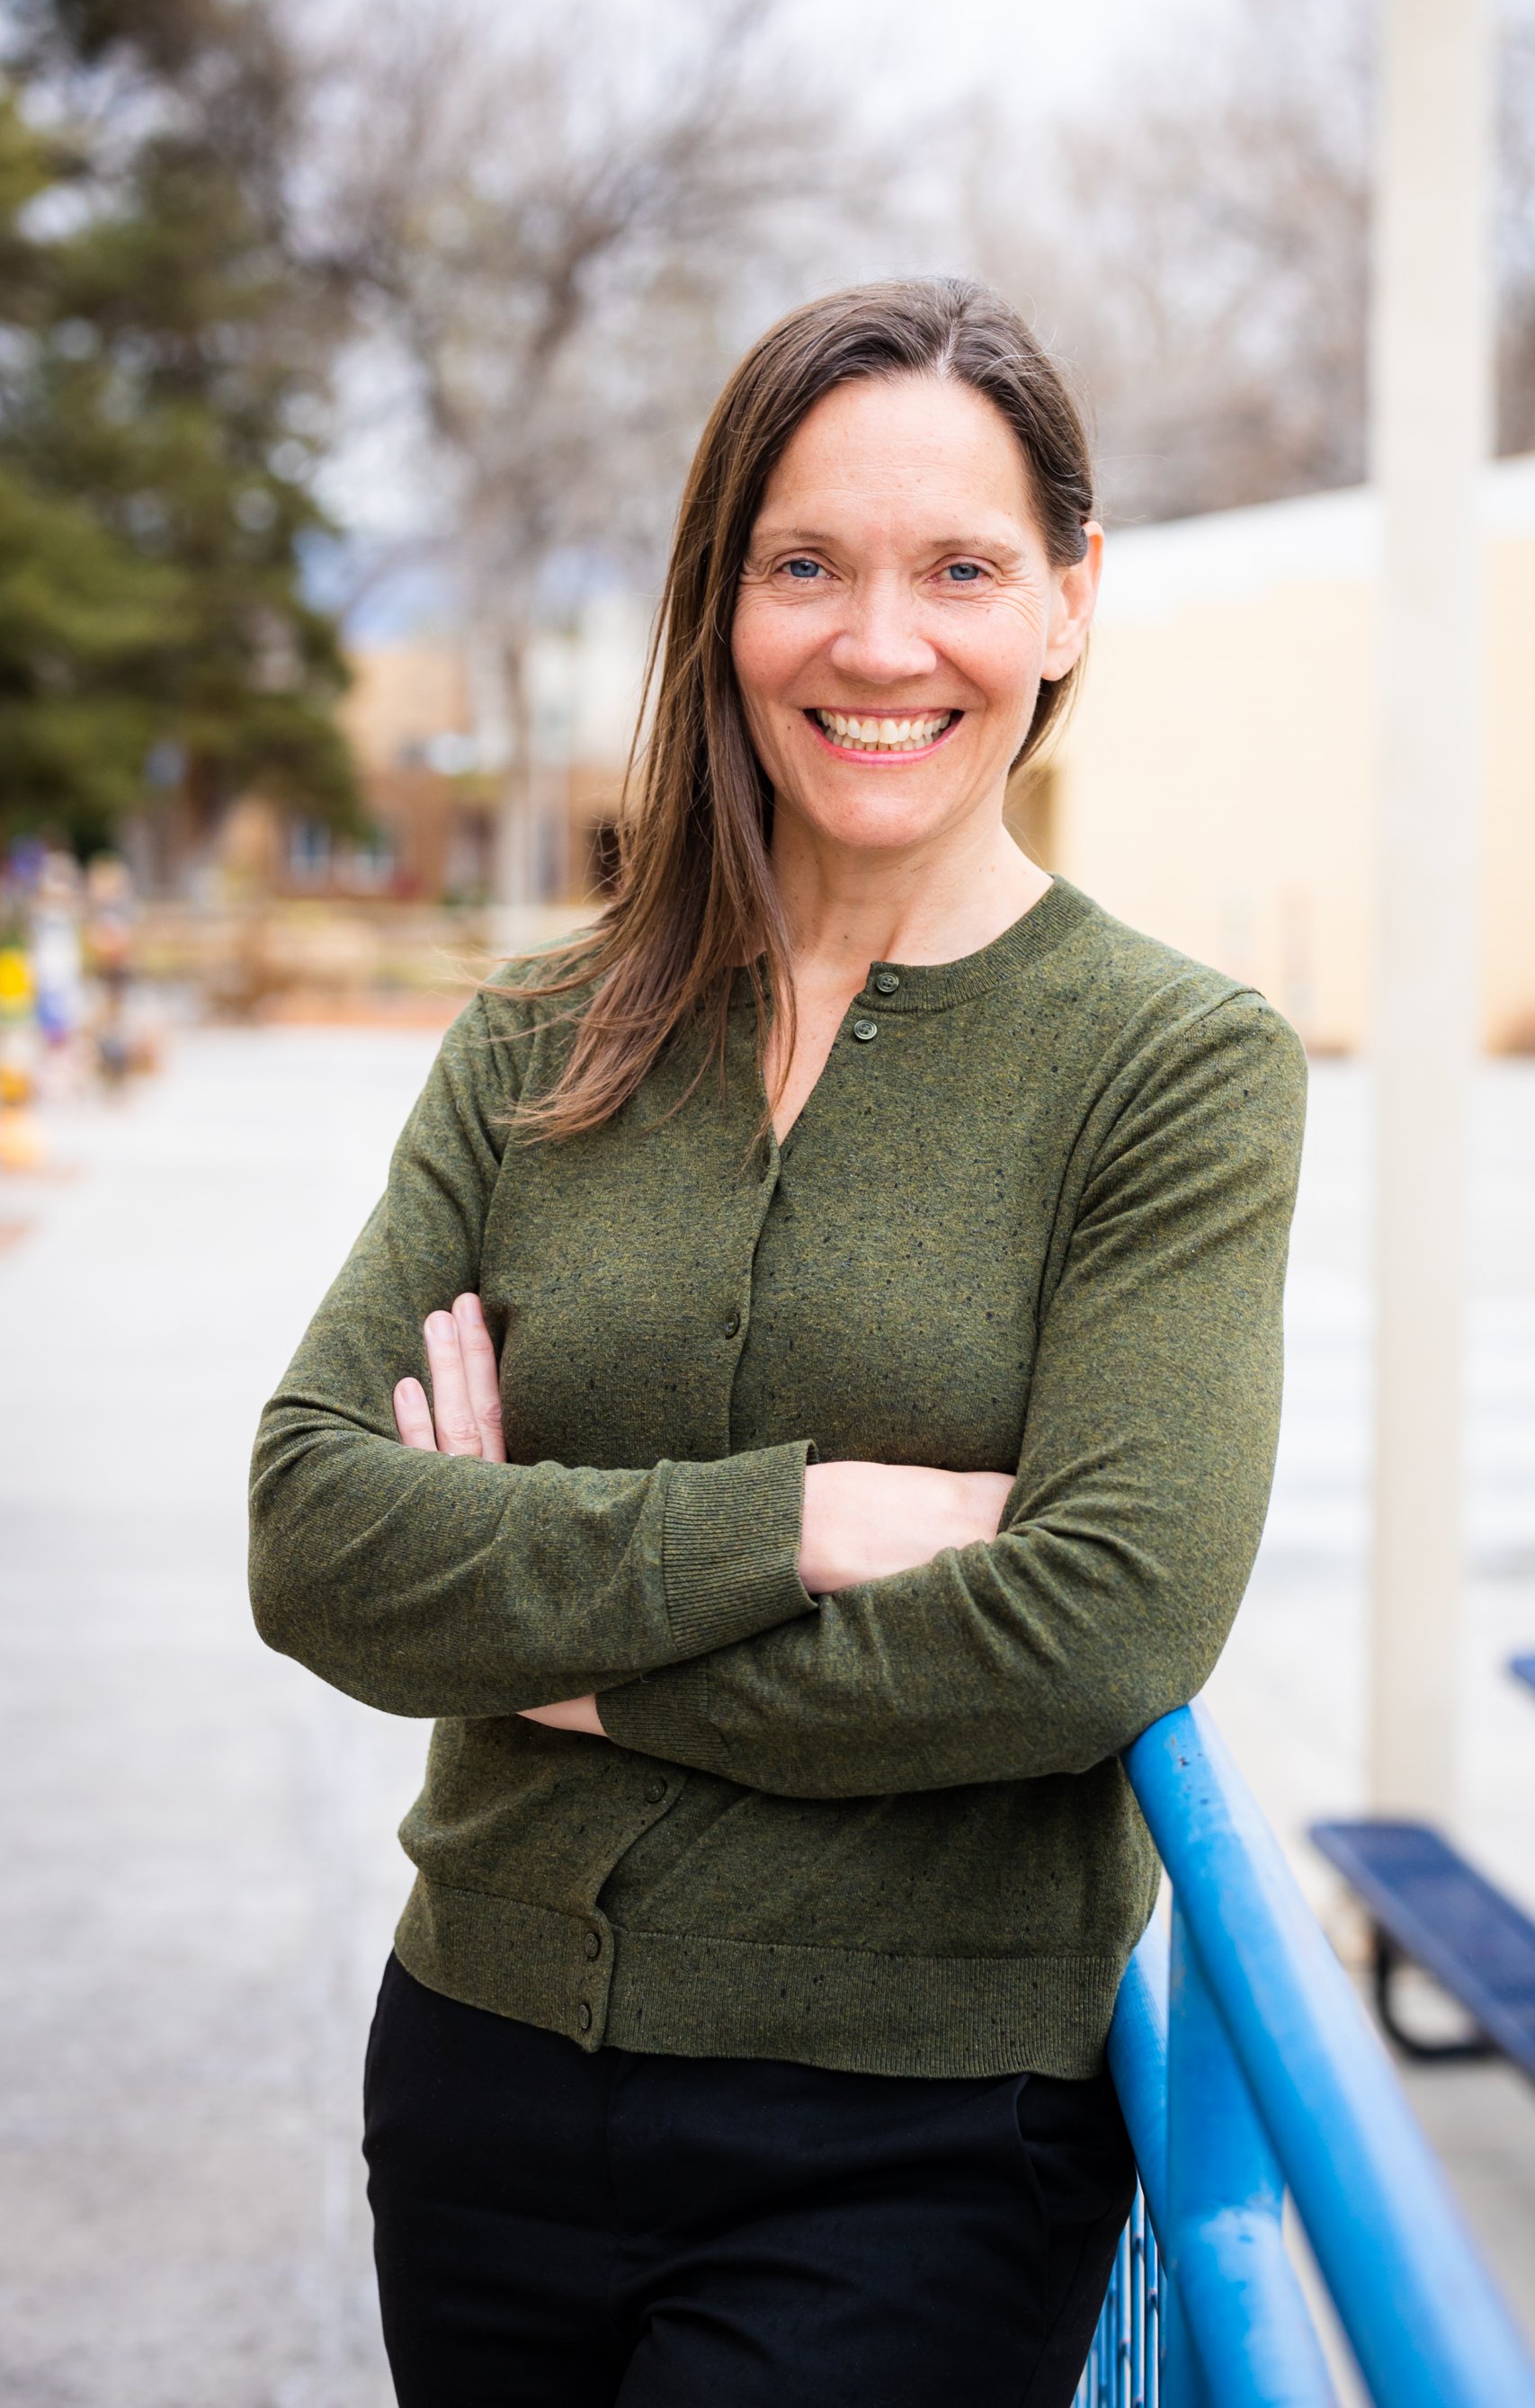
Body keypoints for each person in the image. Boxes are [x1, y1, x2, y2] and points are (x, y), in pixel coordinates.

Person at [249, 278, 1306, 2407]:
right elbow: (315, 1532)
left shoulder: (1174, 1070)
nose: (880, 642)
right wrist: (807, 1518)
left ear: (1071, 602)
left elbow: (1100, 1620)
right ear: (721, 598)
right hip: (479, 2070)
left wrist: (543, 1637)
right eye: (805, 563)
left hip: (914, 2137)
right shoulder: (542, 1041)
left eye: (962, 570)